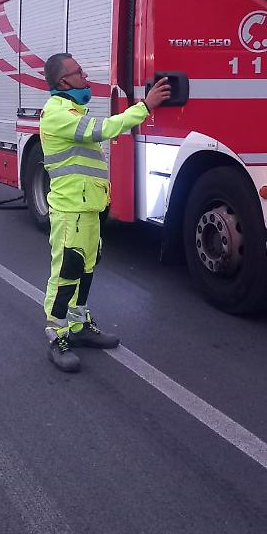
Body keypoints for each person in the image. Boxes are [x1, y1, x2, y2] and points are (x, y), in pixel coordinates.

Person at [40, 53, 171, 372]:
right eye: (78, 71)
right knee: (66, 270)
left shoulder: (72, 109)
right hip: (71, 210)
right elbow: (103, 129)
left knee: (85, 268)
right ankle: (58, 335)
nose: (84, 75)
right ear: (63, 82)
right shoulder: (57, 114)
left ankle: (79, 326)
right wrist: (145, 106)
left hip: (89, 207)